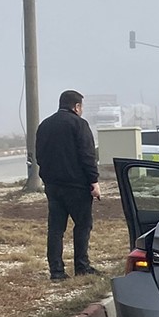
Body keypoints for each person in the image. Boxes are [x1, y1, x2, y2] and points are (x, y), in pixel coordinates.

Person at [35, 89, 101, 281]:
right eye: (81, 107)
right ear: (77, 106)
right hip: (77, 186)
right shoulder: (79, 124)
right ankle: (82, 266)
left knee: (56, 229)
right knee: (83, 225)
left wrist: (47, 178)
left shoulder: (45, 125)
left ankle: (56, 271)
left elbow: (39, 156)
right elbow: (87, 155)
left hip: (53, 186)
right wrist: (94, 181)